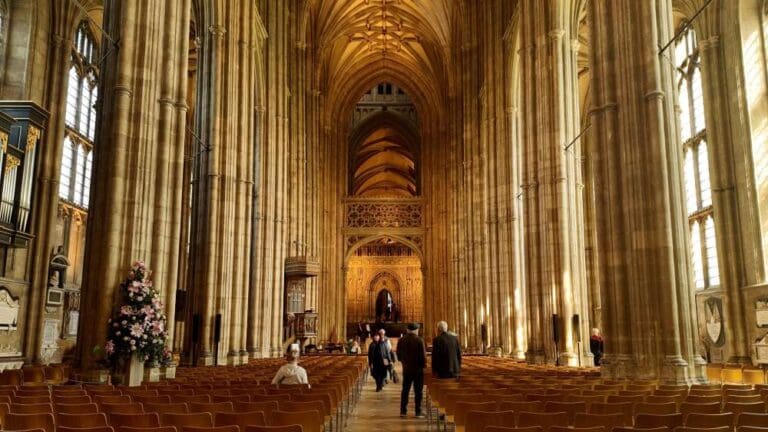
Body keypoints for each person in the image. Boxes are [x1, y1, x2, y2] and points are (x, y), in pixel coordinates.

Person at [397, 322, 426, 418]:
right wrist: (423, 366)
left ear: (407, 330)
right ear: (416, 330)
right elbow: (423, 356)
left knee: (405, 390)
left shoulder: (401, 340)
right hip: (418, 369)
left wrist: (404, 363)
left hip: (407, 369)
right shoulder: (419, 340)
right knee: (418, 391)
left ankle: (403, 411)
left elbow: (398, 355)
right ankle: (418, 412)